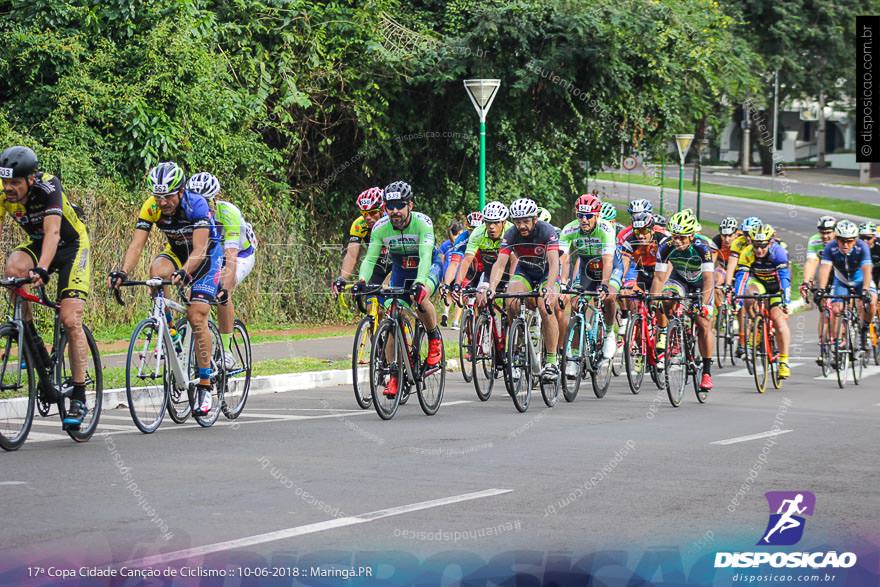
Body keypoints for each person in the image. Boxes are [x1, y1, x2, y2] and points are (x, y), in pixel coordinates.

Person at [109, 162, 221, 416]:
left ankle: (205, 385)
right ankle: (171, 332)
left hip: (206, 257)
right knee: (156, 271)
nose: (162, 202)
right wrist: (122, 271)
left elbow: (201, 250)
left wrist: (185, 272)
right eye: (158, 196)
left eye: (168, 196)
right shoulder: (150, 207)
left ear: (181, 191)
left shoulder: (197, 205)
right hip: (177, 252)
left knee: (196, 315)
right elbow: (136, 246)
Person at [0, 146, 92, 429]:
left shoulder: (48, 186)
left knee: (70, 319)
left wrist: (41, 267)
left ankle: (79, 394)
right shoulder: (3, 194)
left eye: (15, 182)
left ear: (30, 179)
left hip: (72, 248)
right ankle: (31, 338)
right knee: (13, 267)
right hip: (40, 245)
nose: (9, 188)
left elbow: (53, 231)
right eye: (5, 182)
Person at [356, 181, 443, 397]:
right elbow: (370, 258)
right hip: (401, 270)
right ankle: (394, 375)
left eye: (400, 205)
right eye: (390, 206)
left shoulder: (423, 224)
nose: (394, 211)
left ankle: (434, 339)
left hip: (428, 266)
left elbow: (424, 256)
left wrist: (421, 283)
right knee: (393, 318)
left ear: (410, 205)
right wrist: (361, 281)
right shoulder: (380, 227)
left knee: (421, 301)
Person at [479, 198, 562, 381]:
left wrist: (549, 287)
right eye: (517, 221)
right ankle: (516, 351)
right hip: (525, 270)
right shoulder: (510, 234)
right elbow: (500, 265)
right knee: (511, 302)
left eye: (525, 221)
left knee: (545, 305)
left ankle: (551, 361)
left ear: (534, 219)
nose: (521, 226)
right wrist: (491, 288)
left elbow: (555, 262)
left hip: (546, 272)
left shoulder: (546, 231)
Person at [186, 173, 258, 368]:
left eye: (205, 201)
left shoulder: (228, 213)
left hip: (240, 253)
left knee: (220, 289)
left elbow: (231, 255)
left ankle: (226, 351)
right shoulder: (190, 212)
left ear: (214, 199)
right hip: (212, 253)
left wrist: (224, 286)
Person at [650, 209, 716, 391]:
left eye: (682, 237)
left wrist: (705, 306)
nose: (677, 241)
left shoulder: (703, 247)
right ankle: (676, 329)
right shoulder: (666, 245)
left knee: (703, 323)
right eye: (675, 236)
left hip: (701, 283)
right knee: (667, 298)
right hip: (680, 279)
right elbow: (658, 278)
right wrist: (653, 301)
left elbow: (710, 279)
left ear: (692, 235)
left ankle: (707, 372)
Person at [559, 194, 618, 366]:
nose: (584, 220)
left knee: (610, 296)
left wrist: (605, 285)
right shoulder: (569, 230)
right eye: (580, 215)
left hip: (609, 265)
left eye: (589, 216)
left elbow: (608, 260)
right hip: (587, 267)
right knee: (577, 304)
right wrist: (563, 284)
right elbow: (564, 259)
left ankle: (608, 334)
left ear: (597, 215)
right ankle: (574, 358)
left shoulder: (606, 229)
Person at [734, 224, 792, 379]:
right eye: (756, 245)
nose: (759, 250)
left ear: (770, 242)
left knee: (778, 321)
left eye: (763, 246)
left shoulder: (777, 252)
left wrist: (786, 301)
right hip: (759, 283)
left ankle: (784, 361)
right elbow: (742, 277)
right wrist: (738, 301)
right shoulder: (747, 252)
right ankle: (757, 325)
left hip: (776, 286)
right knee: (748, 294)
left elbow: (784, 279)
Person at [815, 220, 877, 353]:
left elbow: (867, 269)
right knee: (836, 309)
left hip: (860, 280)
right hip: (842, 280)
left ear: (855, 240)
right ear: (836, 238)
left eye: (849, 241)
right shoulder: (830, 247)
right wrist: (821, 289)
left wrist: (866, 290)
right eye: (842, 240)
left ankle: (864, 328)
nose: (845, 244)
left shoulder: (862, 247)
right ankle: (838, 341)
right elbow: (825, 268)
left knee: (872, 301)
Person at [442, 211, 483, 329]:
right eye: (471, 229)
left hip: (486, 269)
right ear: (467, 227)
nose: (474, 232)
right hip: (470, 271)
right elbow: (454, 263)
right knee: (465, 296)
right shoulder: (462, 238)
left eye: (477, 229)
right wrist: (447, 284)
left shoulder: (489, 236)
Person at [438, 221, 464, 327]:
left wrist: (442, 275)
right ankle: (456, 322)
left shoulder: (445, 244)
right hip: (458, 272)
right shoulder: (461, 242)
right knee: (459, 295)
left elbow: (442, 259)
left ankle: (445, 312)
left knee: (448, 293)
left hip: (447, 271)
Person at [713, 216, 739, 308]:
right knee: (715, 283)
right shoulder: (717, 240)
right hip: (724, 268)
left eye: (730, 236)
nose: (727, 239)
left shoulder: (742, 240)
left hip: (739, 270)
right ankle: (721, 311)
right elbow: (711, 262)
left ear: (736, 234)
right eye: (724, 236)